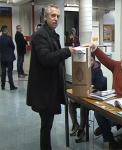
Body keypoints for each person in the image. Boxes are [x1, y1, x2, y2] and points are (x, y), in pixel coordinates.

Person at [26, 4, 76, 150]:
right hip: (44, 91)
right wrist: (66, 51)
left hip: (50, 88)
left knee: (47, 125)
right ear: (45, 17)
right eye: (53, 16)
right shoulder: (40, 35)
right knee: (46, 126)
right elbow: (46, 59)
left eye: (58, 16)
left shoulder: (52, 34)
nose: (56, 19)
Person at [90, 44, 122, 149]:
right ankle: (110, 139)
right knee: (98, 112)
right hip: (111, 103)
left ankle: (107, 127)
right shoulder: (116, 66)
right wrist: (95, 49)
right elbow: (105, 60)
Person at [69, 53, 107, 143]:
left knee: (83, 105)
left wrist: (91, 88)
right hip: (83, 95)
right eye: (88, 60)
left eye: (91, 60)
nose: (89, 62)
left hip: (92, 99)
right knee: (71, 103)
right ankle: (75, 125)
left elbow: (100, 86)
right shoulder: (83, 68)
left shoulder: (98, 71)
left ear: (94, 60)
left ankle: (82, 130)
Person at [0, 25, 17, 90]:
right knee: (10, 72)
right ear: (5, 30)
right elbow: (13, 47)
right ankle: (11, 86)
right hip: (9, 58)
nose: (8, 30)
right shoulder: (9, 38)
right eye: (7, 29)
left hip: (2, 58)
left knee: (3, 72)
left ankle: (2, 86)